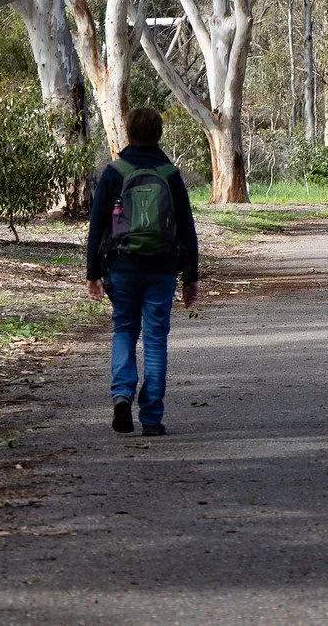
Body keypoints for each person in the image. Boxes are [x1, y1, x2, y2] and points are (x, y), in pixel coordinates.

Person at [86, 107, 199, 436]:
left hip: (121, 266)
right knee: (155, 340)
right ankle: (151, 417)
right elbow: (187, 230)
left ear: (129, 133)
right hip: (162, 268)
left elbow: (97, 227)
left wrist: (93, 272)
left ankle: (121, 395)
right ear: (159, 134)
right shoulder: (170, 174)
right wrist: (191, 277)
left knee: (124, 329)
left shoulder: (114, 172)